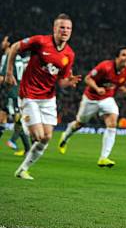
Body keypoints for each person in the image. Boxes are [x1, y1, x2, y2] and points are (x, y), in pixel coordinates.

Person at [7, 14, 81, 180]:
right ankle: (23, 121)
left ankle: (22, 169)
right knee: (38, 135)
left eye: (68, 28)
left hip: (48, 98)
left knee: (46, 137)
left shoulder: (69, 54)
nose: (65, 31)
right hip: (29, 95)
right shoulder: (40, 41)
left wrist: (68, 82)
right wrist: (9, 72)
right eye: (62, 27)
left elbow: (61, 81)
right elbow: (14, 47)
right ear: (54, 28)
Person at [58, 47, 126, 167]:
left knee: (112, 123)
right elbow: (87, 79)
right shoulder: (105, 66)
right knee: (79, 124)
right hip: (91, 99)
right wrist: (97, 88)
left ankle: (104, 157)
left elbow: (117, 86)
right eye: (124, 55)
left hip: (107, 99)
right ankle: (66, 136)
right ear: (117, 57)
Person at [0, 36, 31, 156]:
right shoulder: (19, 58)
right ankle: (27, 149)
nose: (2, 42)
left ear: (9, 44)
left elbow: (2, 77)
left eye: (5, 40)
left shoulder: (8, 57)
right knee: (2, 119)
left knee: (18, 120)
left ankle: (13, 140)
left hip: (11, 93)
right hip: (14, 92)